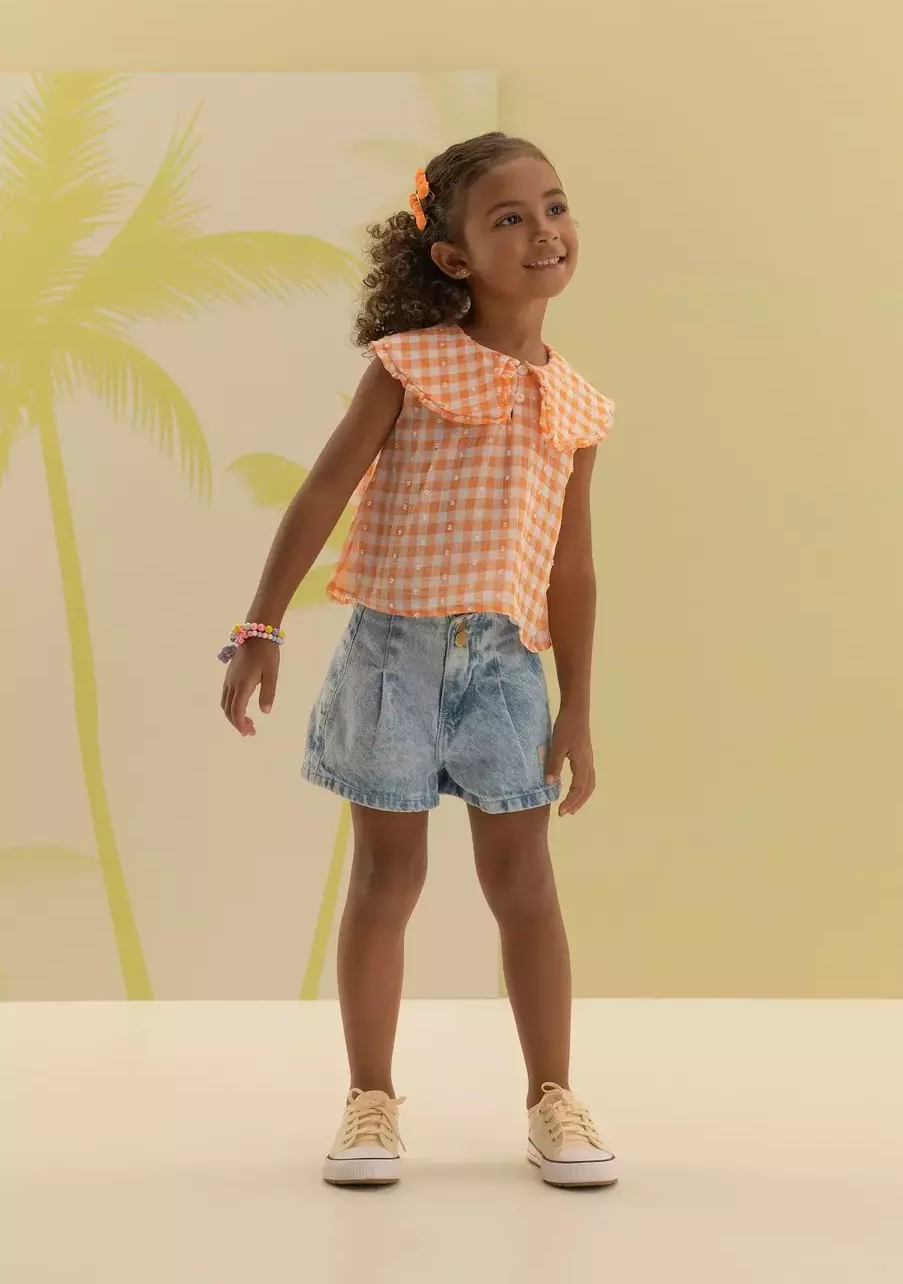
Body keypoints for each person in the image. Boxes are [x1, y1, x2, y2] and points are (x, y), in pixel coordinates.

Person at [219, 133, 617, 1189]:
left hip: (505, 670)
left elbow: (571, 568)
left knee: (524, 883)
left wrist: (576, 707)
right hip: (390, 655)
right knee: (386, 879)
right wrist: (261, 628)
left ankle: (553, 1098)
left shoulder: (578, 405)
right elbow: (324, 491)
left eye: (554, 207)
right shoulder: (409, 365)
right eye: (508, 218)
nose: (543, 232)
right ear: (453, 257)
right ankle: (371, 1101)